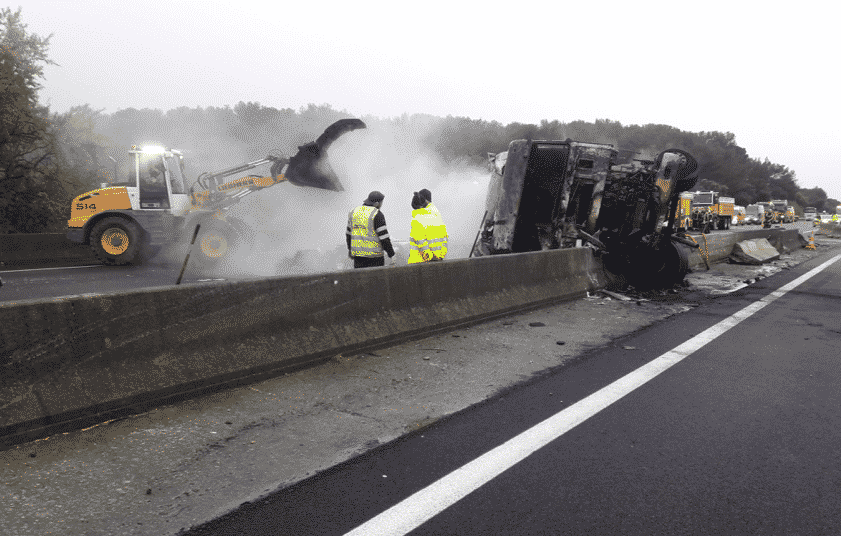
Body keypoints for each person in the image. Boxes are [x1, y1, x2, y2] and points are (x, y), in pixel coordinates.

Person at [347, 191, 396, 268]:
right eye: (381, 203)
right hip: (374, 257)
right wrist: (391, 254)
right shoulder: (377, 214)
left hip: (358, 257)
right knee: (375, 279)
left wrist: (350, 249)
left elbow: (349, 234)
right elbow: (384, 238)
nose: (381, 205)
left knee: (360, 279)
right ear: (377, 203)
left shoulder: (353, 212)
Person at [409, 192, 448, 263]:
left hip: (422, 262)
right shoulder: (437, 215)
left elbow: (420, 241)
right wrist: (441, 255)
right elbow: (445, 237)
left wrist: (429, 257)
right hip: (439, 259)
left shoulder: (417, 219)